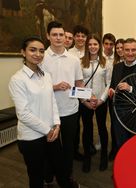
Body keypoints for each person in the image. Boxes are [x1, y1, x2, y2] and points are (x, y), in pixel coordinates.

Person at [8, 36, 71, 188]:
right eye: (33, 50)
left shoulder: (46, 76)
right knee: (36, 175)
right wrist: (48, 129)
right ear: (23, 52)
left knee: (60, 168)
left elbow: (52, 101)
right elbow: (23, 114)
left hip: (52, 133)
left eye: (41, 51)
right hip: (31, 137)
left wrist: (57, 124)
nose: (38, 54)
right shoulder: (17, 80)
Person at [41, 21, 85, 187]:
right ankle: (49, 177)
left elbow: (79, 83)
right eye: (54, 34)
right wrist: (55, 86)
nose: (58, 38)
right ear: (48, 36)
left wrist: (88, 98)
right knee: (51, 146)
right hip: (48, 111)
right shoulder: (41, 58)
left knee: (68, 147)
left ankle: (66, 177)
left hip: (70, 110)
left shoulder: (73, 60)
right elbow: (35, 87)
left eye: (61, 34)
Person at [109, 38, 136, 151]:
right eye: (127, 50)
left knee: (135, 145)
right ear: (122, 51)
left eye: (133, 50)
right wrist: (112, 90)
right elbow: (113, 85)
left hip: (135, 114)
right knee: (120, 144)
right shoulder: (117, 67)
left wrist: (130, 88)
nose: (130, 53)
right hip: (118, 113)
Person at [80, 34, 111, 172]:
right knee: (87, 129)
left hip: (100, 101)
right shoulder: (80, 62)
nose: (92, 47)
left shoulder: (106, 62)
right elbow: (78, 82)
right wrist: (85, 100)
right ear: (87, 46)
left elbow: (109, 83)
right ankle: (87, 156)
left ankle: (103, 155)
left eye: (95, 44)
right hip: (86, 102)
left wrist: (101, 100)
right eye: (90, 44)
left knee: (102, 127)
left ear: (99, 46)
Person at [68, 24, 91, 160]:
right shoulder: (68, 53)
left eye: (83, 36)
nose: (81, 38)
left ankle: (88, 148)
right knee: (74, 126)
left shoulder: (90, 52)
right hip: (72, 94)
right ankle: (74, 150)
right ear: (74, 37)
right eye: (78, 35)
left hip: (86, 92)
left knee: (87, 124)